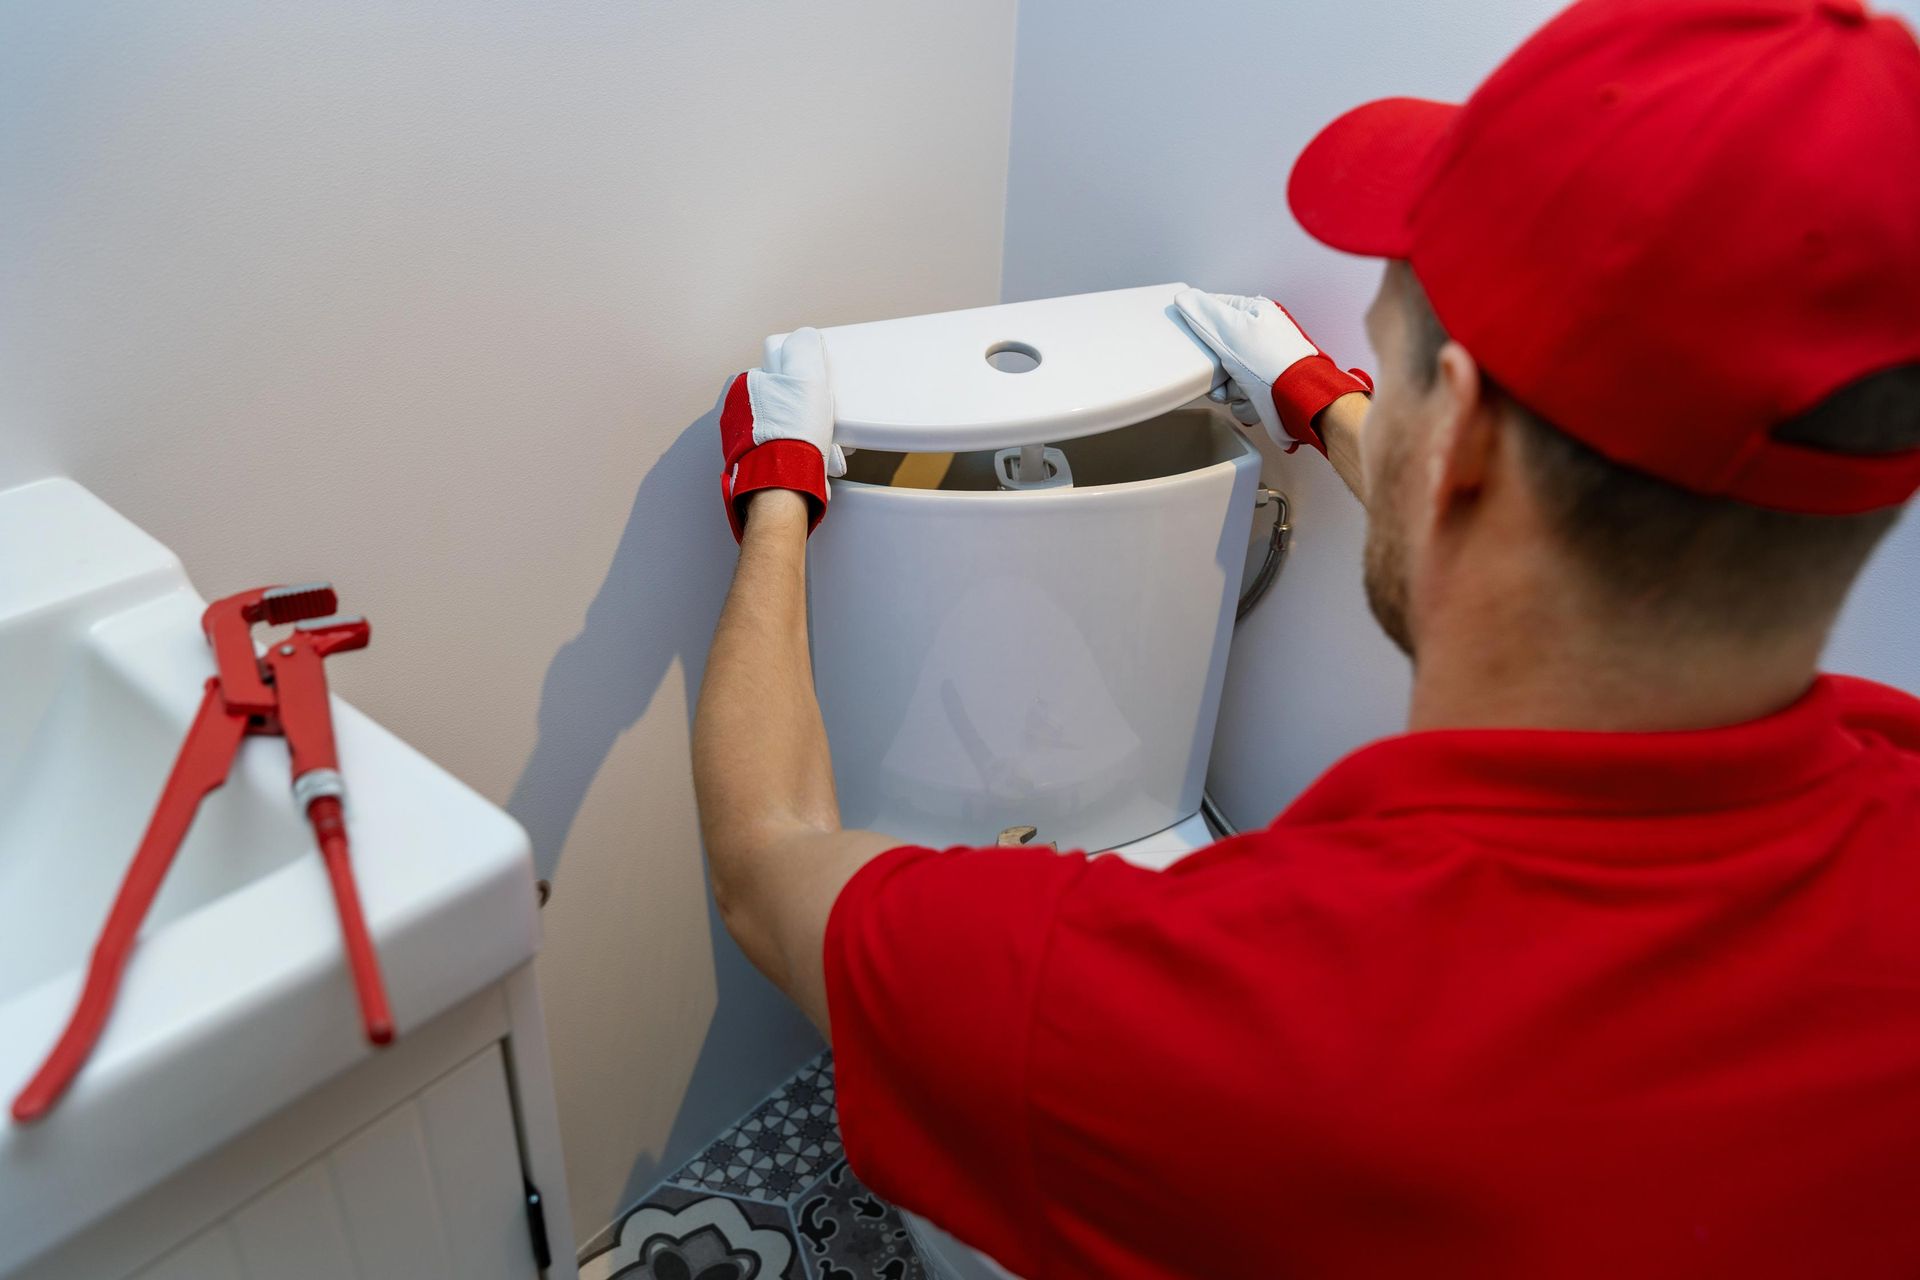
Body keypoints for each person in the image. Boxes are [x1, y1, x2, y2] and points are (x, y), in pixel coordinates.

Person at [690, 0, 1920, 1273]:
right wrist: (1324, 400)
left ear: (1460, 441)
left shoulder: (1175, 1012)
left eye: (1392, 368)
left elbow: (765, 861)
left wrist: (779, 489)